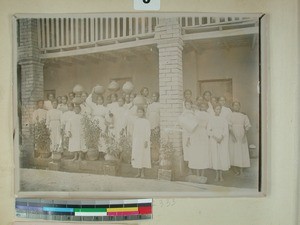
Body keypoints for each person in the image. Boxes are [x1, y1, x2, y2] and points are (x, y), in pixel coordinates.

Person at [207, 104, 230, 182]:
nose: (218, 111)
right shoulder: (211, 119)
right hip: (214, 139)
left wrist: (221, 138)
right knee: (215, 156)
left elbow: (225, 130)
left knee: (222, 156)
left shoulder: (223, 119)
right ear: (214, 110)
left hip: (222, 140)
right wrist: (215, 138)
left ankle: (221, 175)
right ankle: (217, 175)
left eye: (219, 109)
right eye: (217, 109)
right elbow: (209, 130)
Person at [228, 101, 251, 176]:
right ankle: (235, 169)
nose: (236, 106)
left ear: (240, 106)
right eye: (235, 105)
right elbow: (229, 126)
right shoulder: (230, 115)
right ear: (232, 106)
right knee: (234, 151)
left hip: (242, 134)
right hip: (233, 134)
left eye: (238, 105)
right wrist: (233, 136)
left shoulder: (243, 116)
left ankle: (241, 170)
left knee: (241, 151)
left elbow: (247, 126)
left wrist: (244, 136)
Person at [188, 102, 211, 177]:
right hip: (195, 133)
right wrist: (189, 137)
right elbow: (191, 126)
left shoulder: (208, 115)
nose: (203, 108)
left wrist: (209, 135)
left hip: (204, 133)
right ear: (199, 107)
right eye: (201, 106)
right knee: (196, 153)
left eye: (204, 106)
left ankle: (202, 174)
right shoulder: (195, 114)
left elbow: (209, 126)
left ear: (206, 107)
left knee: (203, 153)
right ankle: (197, 174)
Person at [131, 107, 151, 178]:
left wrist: (146, 141)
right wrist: (133, 140)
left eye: (141, 112)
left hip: (143, 140)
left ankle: (143, 173)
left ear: (143, 113)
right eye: (138, 112)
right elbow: (134, 131)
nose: (140, 113)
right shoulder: (135, 121)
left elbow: (147, 132)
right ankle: (138, 172)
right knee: (137, 156)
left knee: (143, 155)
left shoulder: (146, 121)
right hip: (137, 141)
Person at [178, 100, 198, 166]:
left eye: (189, 104)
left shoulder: (194, 113)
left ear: (191, 105)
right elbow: (181, 123)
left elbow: (196, 122)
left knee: (192, 147)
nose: (188, 106)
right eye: (186, 104)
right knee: (186, 147)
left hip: (192, 132)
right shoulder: (183, 114)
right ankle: (188, 165)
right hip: (186, 132)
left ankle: (193, 164)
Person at [146, 92, 160, 163]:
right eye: (153, 96)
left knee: (156, 142)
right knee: (151, 142)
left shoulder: (160, 105)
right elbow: (147, 116)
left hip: (156, 125)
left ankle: (157, 158)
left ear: (158, 97)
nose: (154, 97)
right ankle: (152, 158)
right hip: (150, 126)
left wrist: (158, 125)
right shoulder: (149, 106)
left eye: (155, 96)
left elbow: (161, 116)